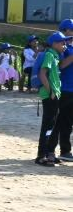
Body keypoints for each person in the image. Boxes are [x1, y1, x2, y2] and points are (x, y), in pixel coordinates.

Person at [36, 32, 66, 166]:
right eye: (62, 42)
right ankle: (41, 156)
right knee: (47, 126)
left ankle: (48, 154)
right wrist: (51, 92)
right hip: (49, 96)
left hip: (54, 95)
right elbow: (42, 74)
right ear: (54, 44)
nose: (64, 45)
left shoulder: (55, 56)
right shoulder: (49, 55)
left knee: (51, 126)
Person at [53, 20, 73, 162]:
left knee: (68, 122)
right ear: (65, 30)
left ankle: (65, 151)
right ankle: (57, 151)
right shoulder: (62, 47)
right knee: (61, 121)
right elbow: (60, 66)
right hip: (65, 89)